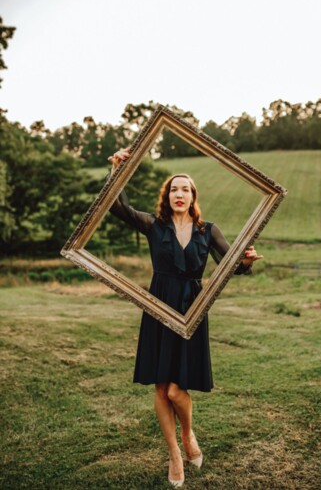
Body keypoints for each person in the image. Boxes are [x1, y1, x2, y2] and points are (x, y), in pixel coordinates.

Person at [108, 148, 263, 487]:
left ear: (194, 196)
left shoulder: (208, 231)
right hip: (159, 305)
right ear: (168, 196)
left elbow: (233, 266)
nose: (179, 194)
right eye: (173, 189)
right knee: (162, 387)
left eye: (185, 189)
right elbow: (116, 206)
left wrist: (247, 261)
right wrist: (119, 168)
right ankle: (175, 454)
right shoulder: (154, 225)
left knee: (179, 390)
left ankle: (189, 434)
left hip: (192, 307)